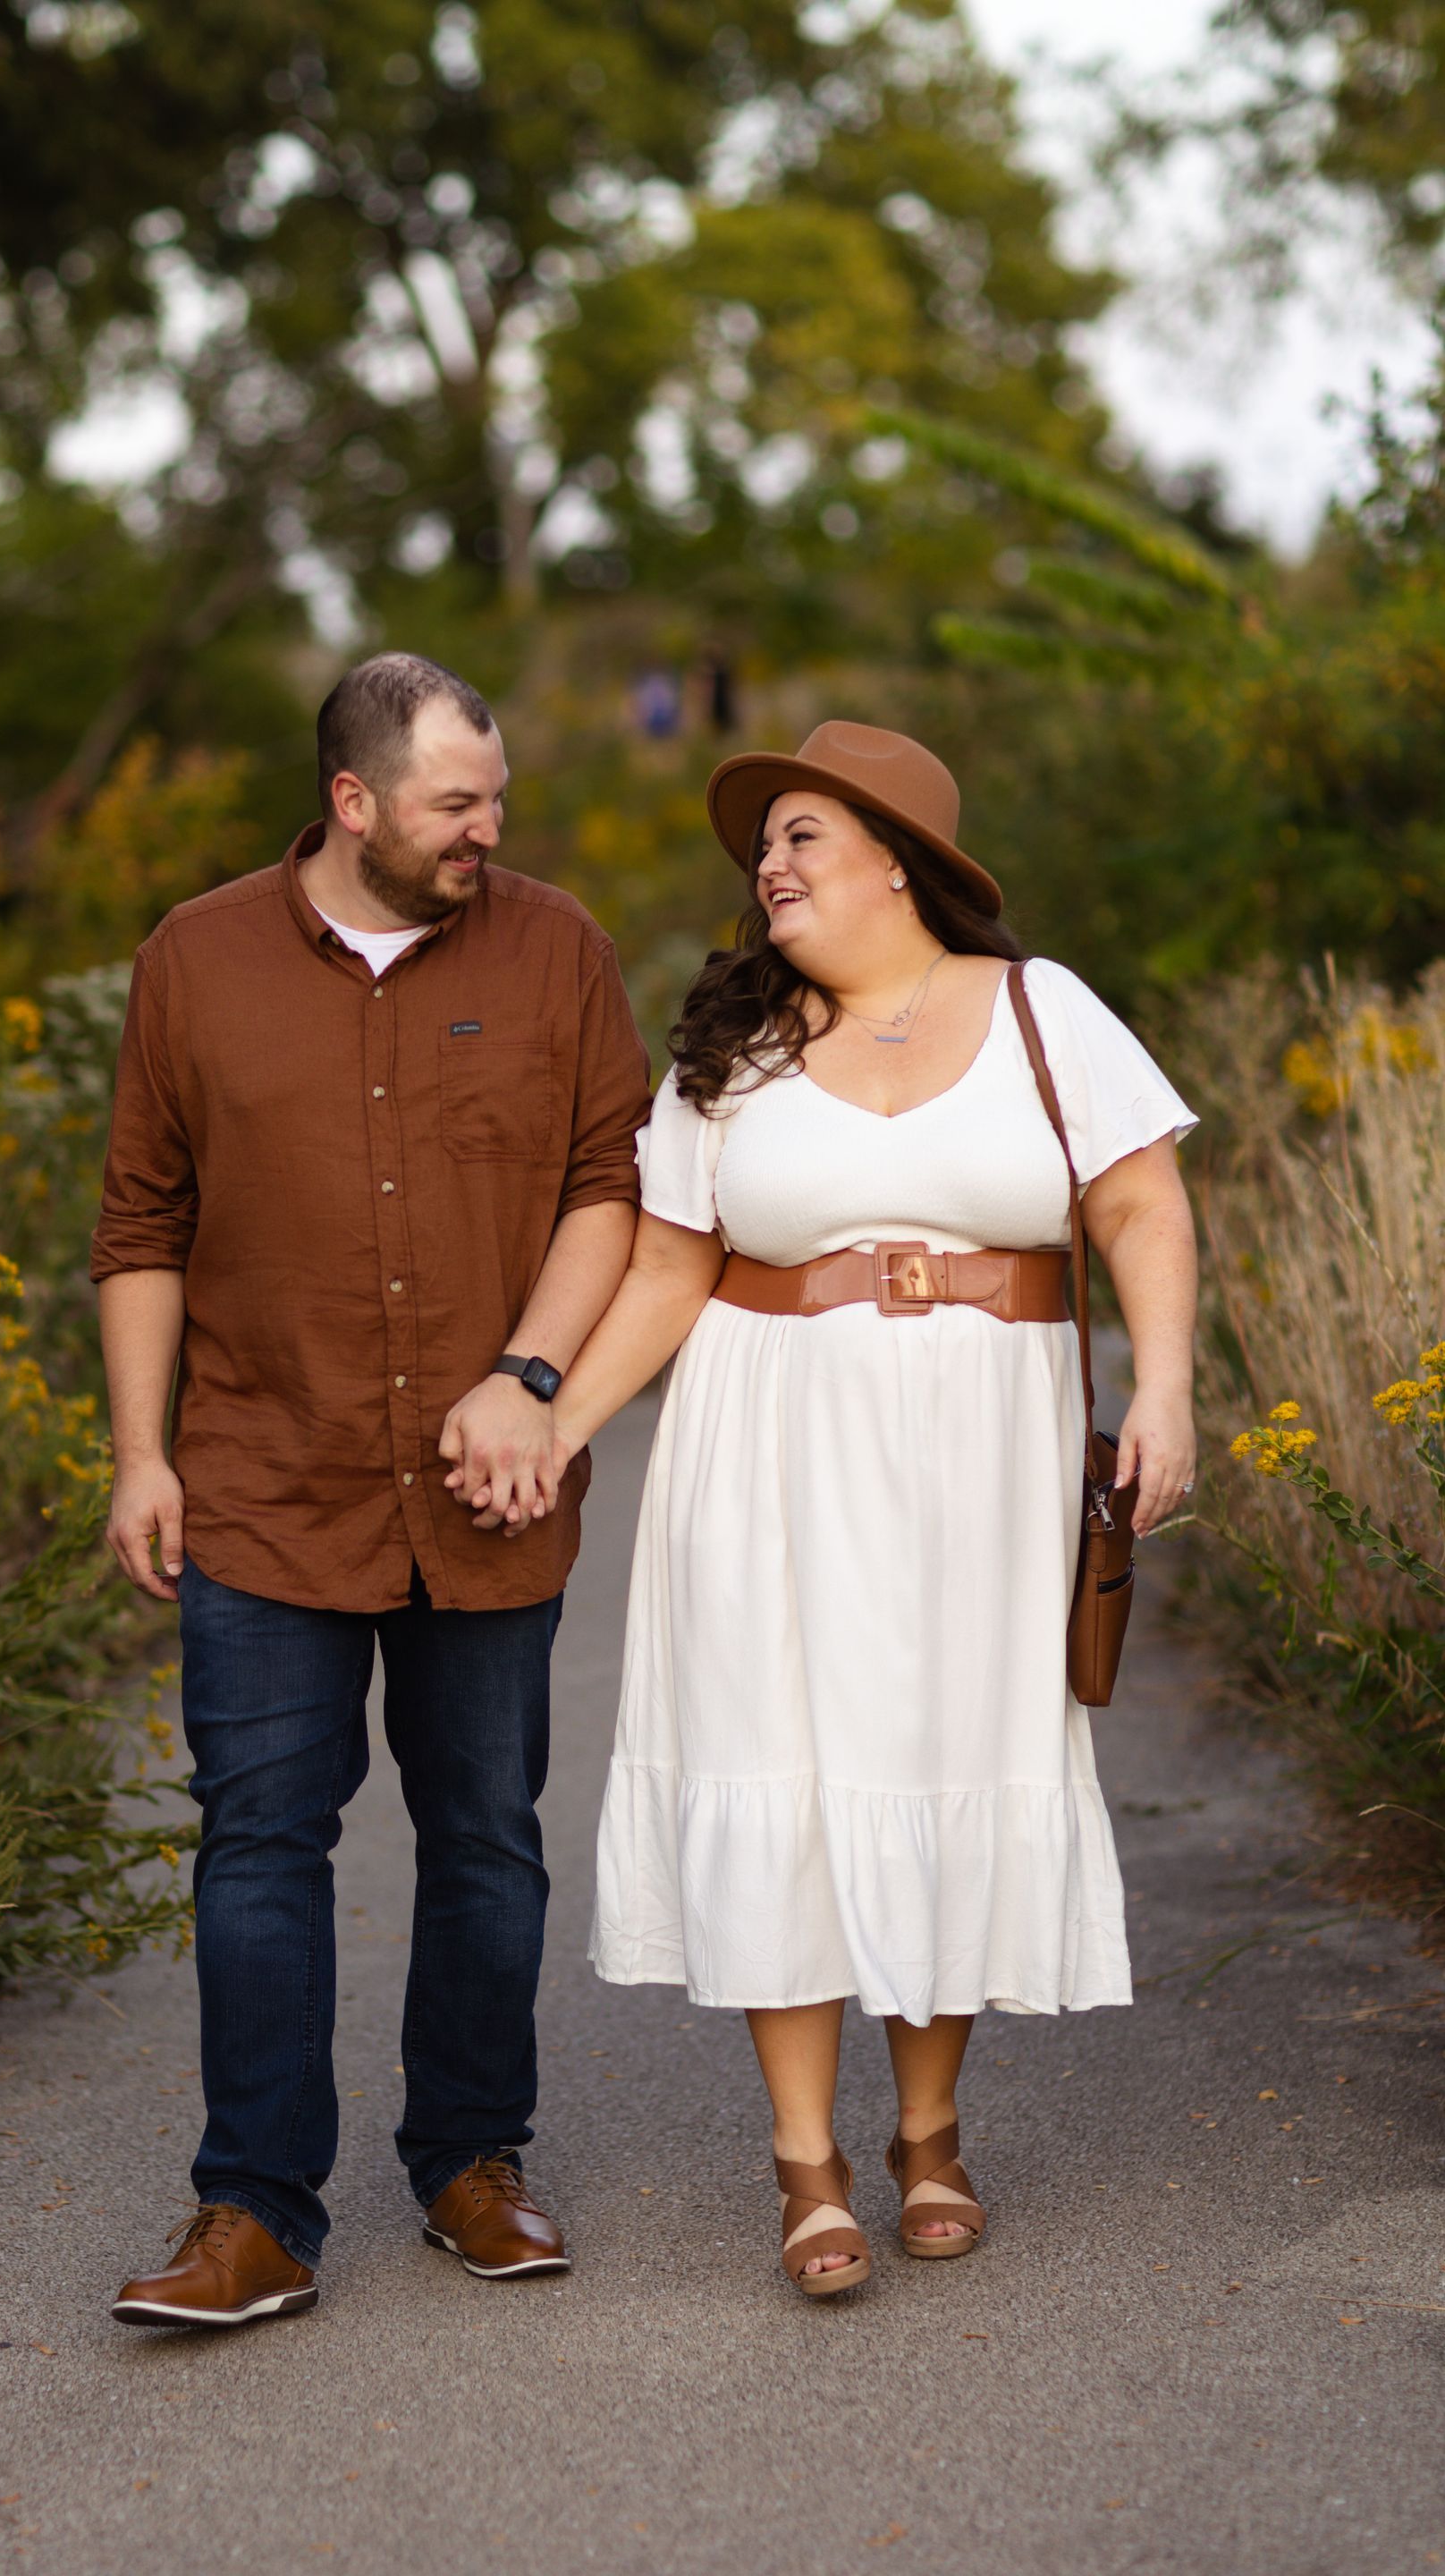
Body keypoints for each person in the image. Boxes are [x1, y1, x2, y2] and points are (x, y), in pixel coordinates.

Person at [539, 721, 1198, 2295]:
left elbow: (1138, 1202)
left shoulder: (1045, 1011)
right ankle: (806, 2164)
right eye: (760, 844)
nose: (768, 864)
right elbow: (669, 1267)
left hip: (985, 1452)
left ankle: (927, 2131)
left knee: (948, 1747)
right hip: (765, 1441)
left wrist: (1164, 1390)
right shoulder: (735, 1045)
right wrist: (558, 1423)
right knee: (787, 1759)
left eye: (803, 834)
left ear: (900, 858)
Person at [91, 653, 650, 2326]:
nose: (490, 828)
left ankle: (473, 2164)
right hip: (269, 1479)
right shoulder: (193, 961)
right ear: (354, 802)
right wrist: (141, 1450)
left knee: (486, 1837)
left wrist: (531, 1376)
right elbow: (142, 1231)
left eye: (498, 798)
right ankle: (253, 2211)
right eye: (454, 804)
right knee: (260, 1840)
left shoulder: (559, 949)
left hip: (493, 1490)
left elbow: (608, 1190)